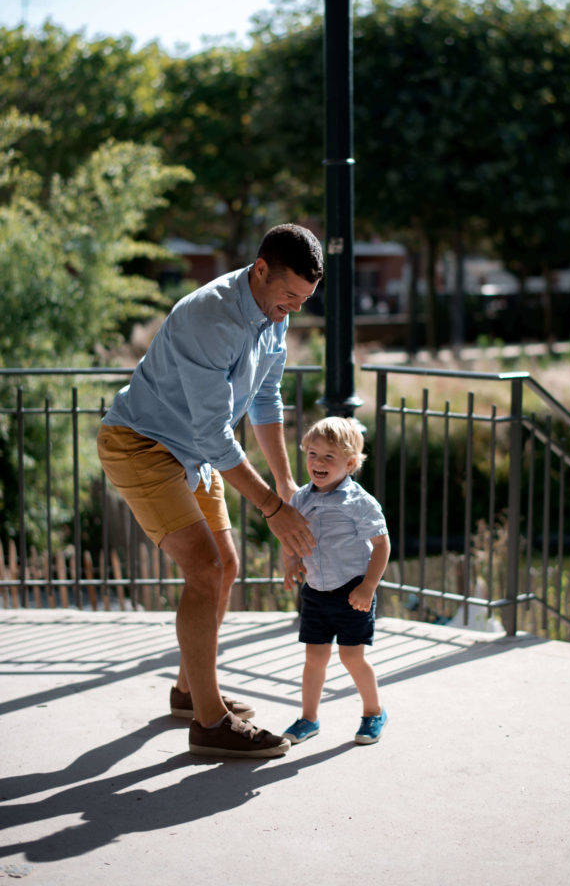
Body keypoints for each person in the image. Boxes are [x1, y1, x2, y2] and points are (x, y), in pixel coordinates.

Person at [97, 223, 323, 759]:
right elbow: (213, 433)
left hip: (191, 455)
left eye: (304, 301)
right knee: (204, 569)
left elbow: (266, 401)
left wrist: (286, 483)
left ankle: (187, 693)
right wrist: (271, 508)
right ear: (261, 270)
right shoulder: (211, 315)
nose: (292, 310)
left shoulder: (272, 319)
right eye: (289, 296)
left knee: (226, 564)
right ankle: (209, 722)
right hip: (142, 445)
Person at [281, 417, 391, 746]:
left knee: (351, 657)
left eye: (330, 457)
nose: (318, 462)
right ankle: (308, 718)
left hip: (352, 591)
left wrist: (368, 587)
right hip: (315, 592)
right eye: (313, 454)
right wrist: (291, 561)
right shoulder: (300, 498)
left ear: (351, 463)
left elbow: (382, 544)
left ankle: (374, 712)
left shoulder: (358, 502)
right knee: (314, 657)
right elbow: (291, 536)